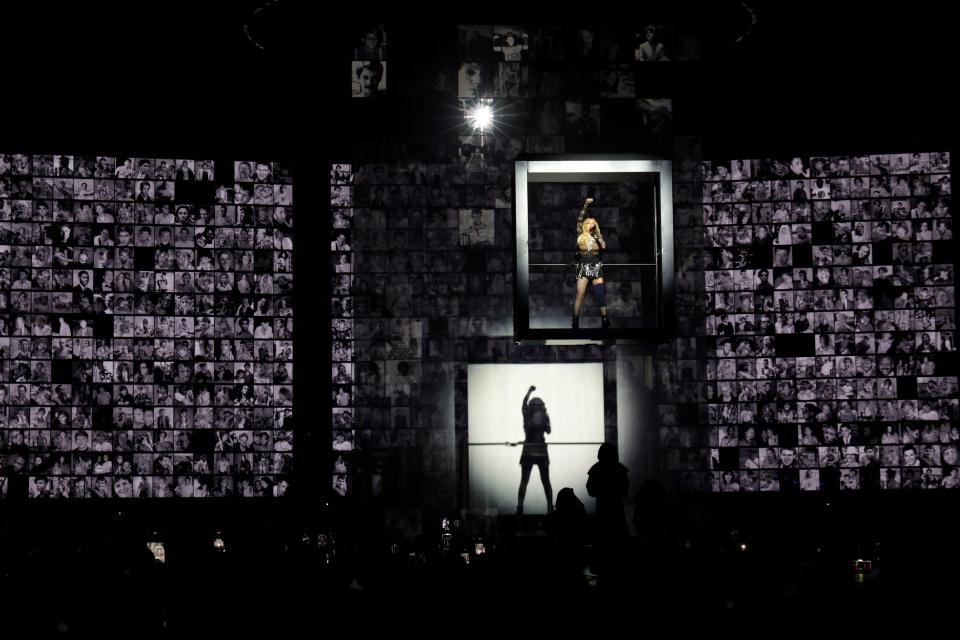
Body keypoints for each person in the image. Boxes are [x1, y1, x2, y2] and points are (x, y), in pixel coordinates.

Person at [572, 196, 609, 329]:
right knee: (580, 295)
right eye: (589, 222)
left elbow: (604, 247)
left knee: (600, 294)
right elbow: (580, 217)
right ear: (585, 225)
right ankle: (575, 320)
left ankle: (605, 319)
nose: (591, 224)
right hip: (583, 266)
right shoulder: (580, 234)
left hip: (596, 266)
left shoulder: (597, 235)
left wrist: (598, 236)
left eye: (594, 223)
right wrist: (585, 204)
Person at [516, 385, 553, 514]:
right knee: (544, 482)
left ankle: (521, 508)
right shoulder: (543, 416)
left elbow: (523, 404)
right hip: (537, 450)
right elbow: (548, 431)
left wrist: (529, 392)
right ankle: (549, 507)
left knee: (526, 482)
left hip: (531, 450)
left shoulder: (528, 415)